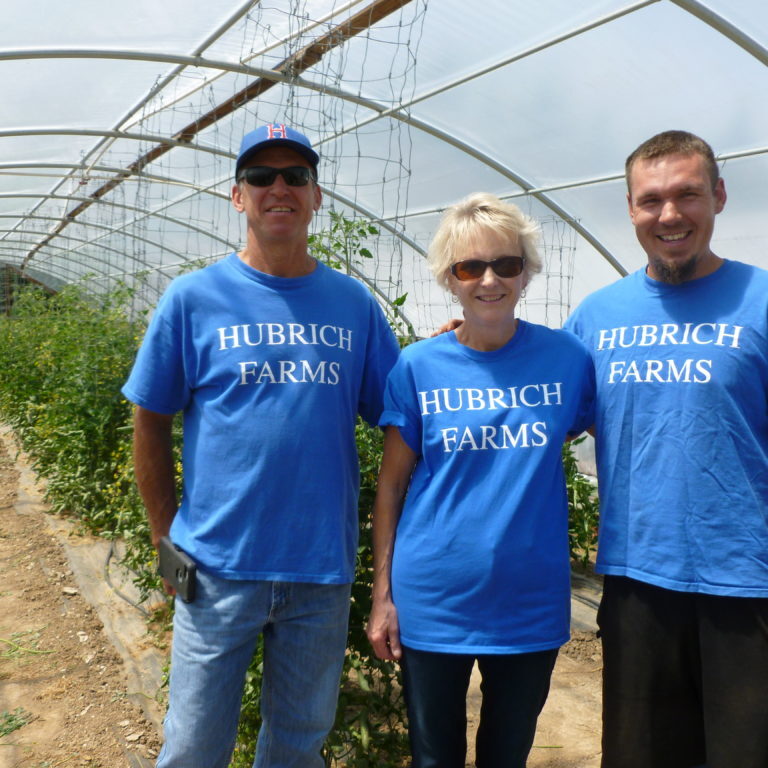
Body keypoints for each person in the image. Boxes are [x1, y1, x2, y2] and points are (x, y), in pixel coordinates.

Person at [122, 123, 399, 768]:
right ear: (237, 195)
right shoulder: (193, 299)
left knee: (298, 748)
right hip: (214, 569)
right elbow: (150, 421)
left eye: (295, 176)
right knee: (193, 745)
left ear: (317, 196)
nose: (280, 188)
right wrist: (168, 547)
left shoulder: (353, 305)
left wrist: (455, 351)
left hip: (319, 572)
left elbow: (398, 412)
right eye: (261, 176)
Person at [366, 193, 595, 768]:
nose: (489, 279)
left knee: (506, 755)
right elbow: (391, 486)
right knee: (434, 759)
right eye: (471, 267)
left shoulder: (568, 360)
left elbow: (572, 433)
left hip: (529, 602)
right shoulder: (419, 366)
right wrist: (382, 596)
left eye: (506, 264)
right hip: (434, 598)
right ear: (450, 278)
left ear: (526, 272)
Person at [564, 130, 768, 768]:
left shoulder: (761, 302)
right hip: (637, 580)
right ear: (630, 209)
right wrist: (466, 353)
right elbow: (538, 408)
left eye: (687, 194)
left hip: (748, 581)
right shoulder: (598, 317)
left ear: (720, 196)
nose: (670, 214)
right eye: (651, 200)